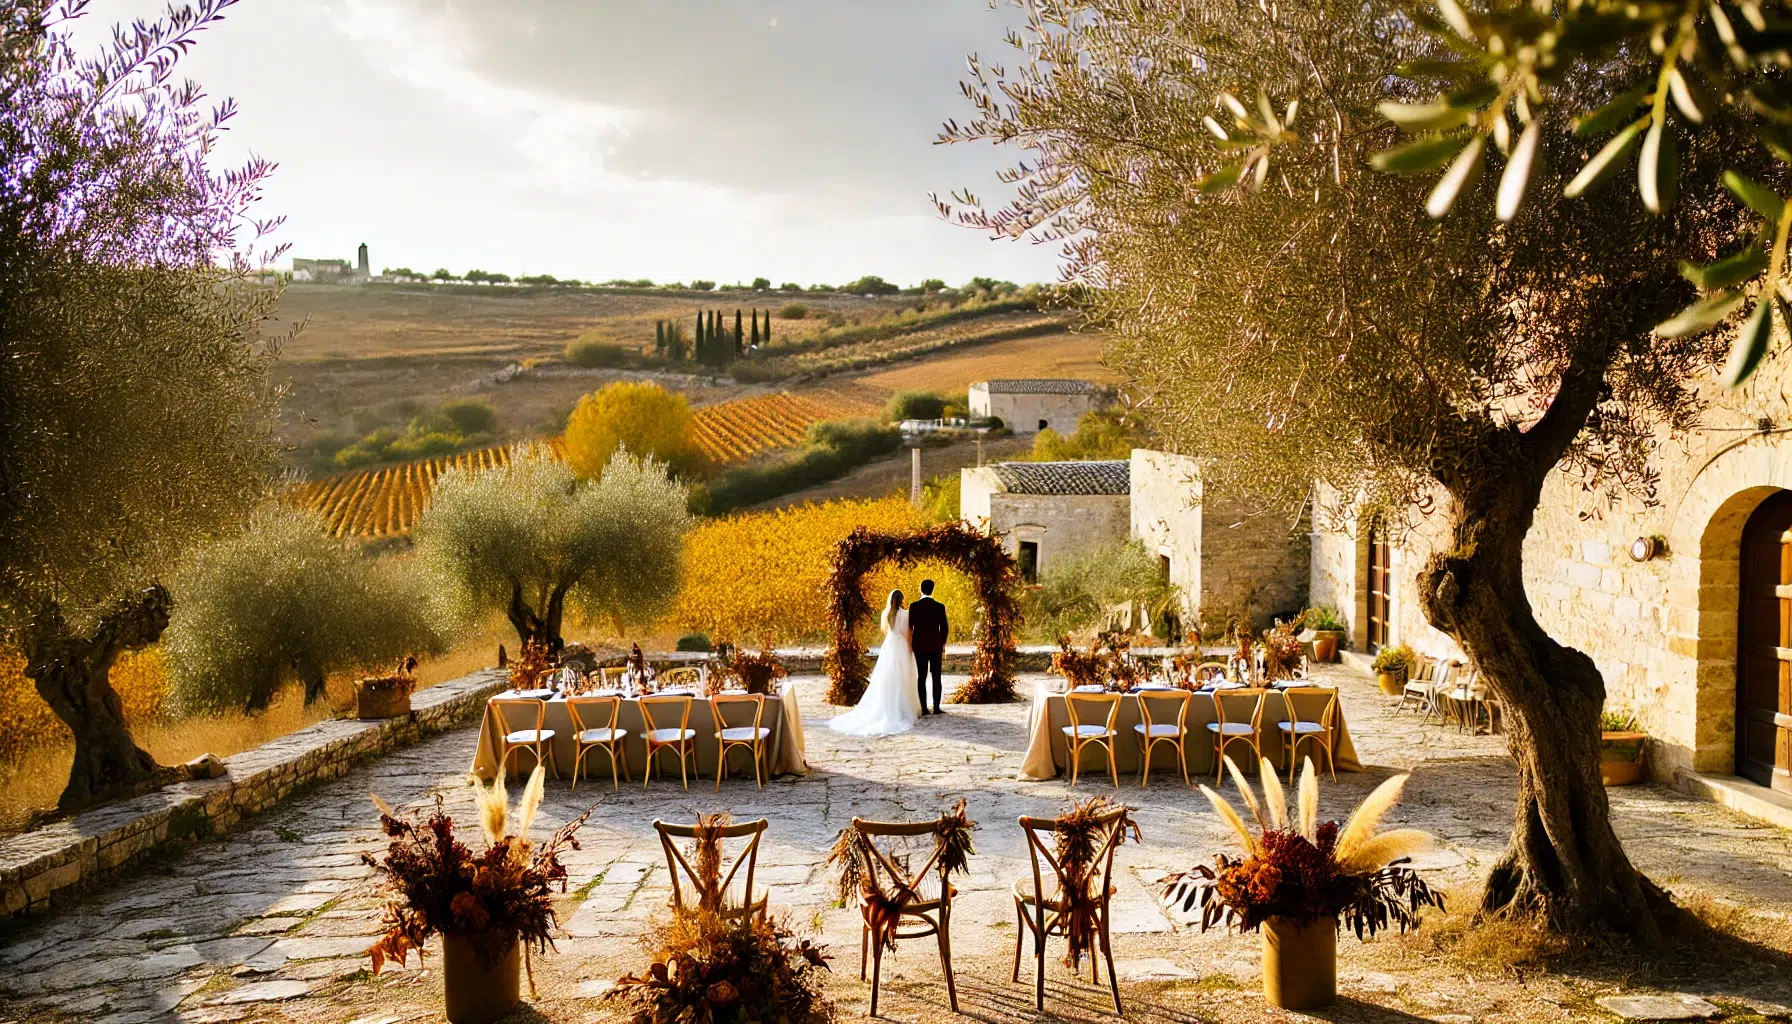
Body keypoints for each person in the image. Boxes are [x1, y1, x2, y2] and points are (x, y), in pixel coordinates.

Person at [828, 589, 922, 736]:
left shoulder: (886, 614)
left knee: (888, 677)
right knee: (903, 676)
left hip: (890, 646)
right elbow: (908, 634)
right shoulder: (906, 614)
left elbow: (886, 631)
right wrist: (911, 650)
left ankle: (888, 705)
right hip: (901, 646)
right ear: (902, 600)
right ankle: (904, 708)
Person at [908, 578, 948, 714]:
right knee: (937, 677)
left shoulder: (914, 607)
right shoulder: (940, 606)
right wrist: (941, 643)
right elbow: (945, 628)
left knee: (922, 677)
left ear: (921, 589)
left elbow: (910, 627)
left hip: (919, 647)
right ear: (932, 589)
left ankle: (924, 708)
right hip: (935, 646)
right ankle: (936, 708)